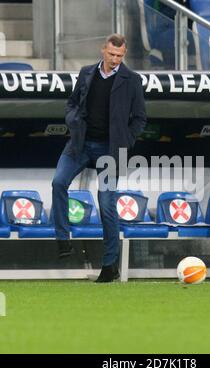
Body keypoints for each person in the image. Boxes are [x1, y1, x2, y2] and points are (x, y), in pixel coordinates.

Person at [52, 34, 146, 282]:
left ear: (123, 54)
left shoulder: (132, 80)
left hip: (111, 150)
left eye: (120, 56)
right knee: (58, 182)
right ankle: (63, 240)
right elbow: (71, 104)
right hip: (80, 144)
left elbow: (140, 118)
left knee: (106, 204)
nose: (115, 59)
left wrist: (127, 139)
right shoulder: (85, 73)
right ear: (103, 50)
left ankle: (109, 264)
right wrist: (72, 120)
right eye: (112, 54)